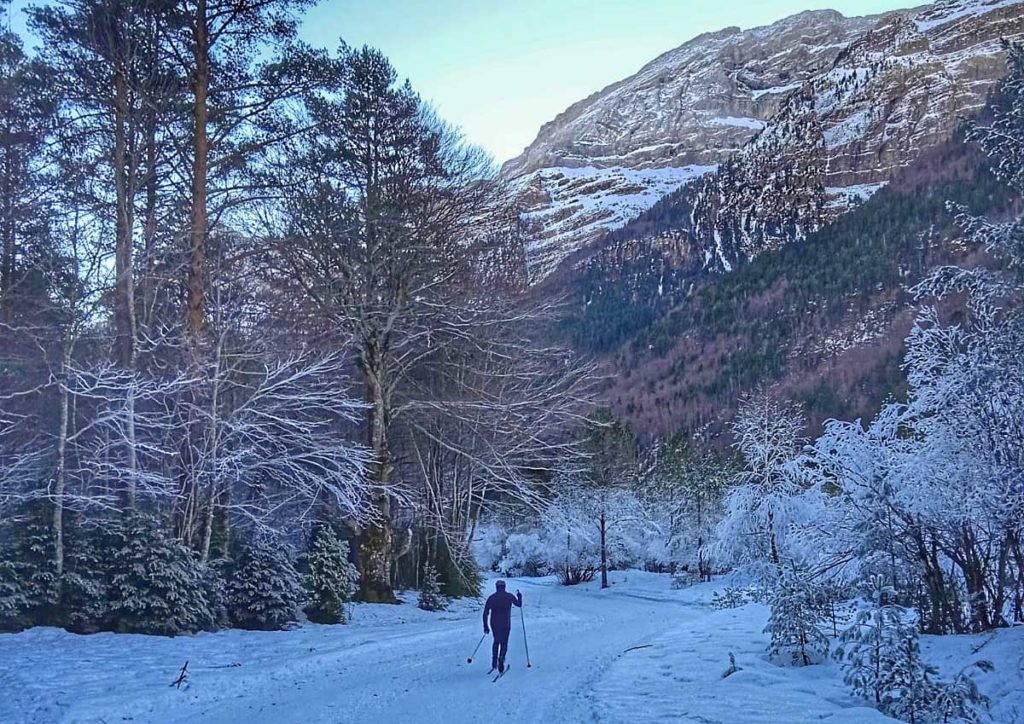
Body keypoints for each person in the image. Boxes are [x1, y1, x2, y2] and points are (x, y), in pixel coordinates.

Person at [483, 580, 522, 673]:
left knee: (496, 640)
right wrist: (519, 596)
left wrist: (485, 626)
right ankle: (501, 658)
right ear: (504, 587)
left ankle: (494, 660)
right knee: (504, 642)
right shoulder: (509, 596)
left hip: (494, 623)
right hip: (506, 622)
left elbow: (485, 613)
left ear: (496, 587)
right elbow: (519, 604)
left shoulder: (491, 598)